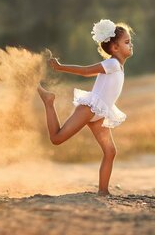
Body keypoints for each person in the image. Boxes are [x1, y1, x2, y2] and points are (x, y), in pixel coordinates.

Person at [36, 19, 133, 196]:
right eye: (127, 42)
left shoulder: (116, 66)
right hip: (90, 109)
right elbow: (86, 71)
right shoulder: (112, 64)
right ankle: (49, 101)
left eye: (130, 42)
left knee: (110, 152)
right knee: (56, 139)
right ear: (115, 48)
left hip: (101, 113)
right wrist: (60, 67)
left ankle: (103, 191)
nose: (131, 45)